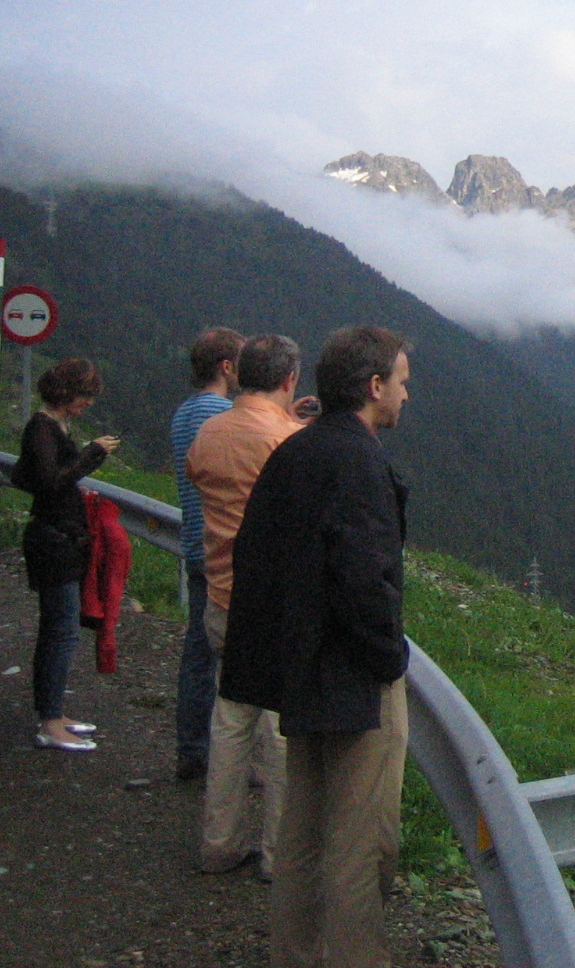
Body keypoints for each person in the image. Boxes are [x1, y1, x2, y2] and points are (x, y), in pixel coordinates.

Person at [221, 325, 412, 968]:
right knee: (361, 842)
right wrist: (388, 660)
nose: (407, 397)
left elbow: (253, 555)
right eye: (403, 383)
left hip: (303, 671)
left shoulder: (297, 451)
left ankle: (294, 955)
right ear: (375, 385)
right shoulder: (358, 461)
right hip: (353, 679)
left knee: (301, 832)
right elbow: (363, 579)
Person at [185, 334, 313, 880]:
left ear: (240, 375)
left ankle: (218, 843)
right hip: (274, 603)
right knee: (282, 729)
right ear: (289, 380)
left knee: (231, 718)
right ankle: (279, 857)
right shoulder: (286, 442)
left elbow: (204, 476)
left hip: (220, 592)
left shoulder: (209, 431)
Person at [10, 357, 121, 752]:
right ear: (67, 392)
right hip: (52, 541)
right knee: (60, 631)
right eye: (85, 395)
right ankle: (50, 722)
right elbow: (50, 482)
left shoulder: (53, 426)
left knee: (59, 630)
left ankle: (54, 712)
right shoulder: (42, 427)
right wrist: (91, 455)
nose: (88, 403)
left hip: (59, 538)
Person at [169, 326, 244, 781]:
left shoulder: (185, 412)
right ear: (227, 367)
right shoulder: (220, 412)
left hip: (195, 542)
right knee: (236, 662)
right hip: (224, 549)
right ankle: (226, 760)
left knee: (197, 654)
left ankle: (192, 749)